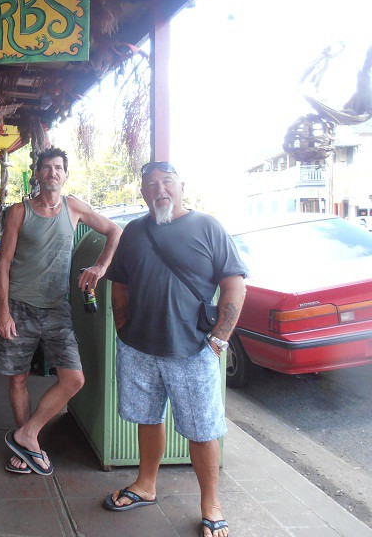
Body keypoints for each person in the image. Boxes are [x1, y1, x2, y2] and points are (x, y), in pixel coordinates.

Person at [103, 161, 247, 537]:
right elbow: (120, 283)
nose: (160, 189)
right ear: (142, 193)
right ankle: (145, 485)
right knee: (148, 418)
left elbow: (234, 284)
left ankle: (211, 505)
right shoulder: (134, 232)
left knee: (202, 429)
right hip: (139, 348)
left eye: (167, 182)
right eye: (151, 184)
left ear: (182, 186)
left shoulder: (208, 227)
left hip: (193, 350)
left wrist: (219, 338)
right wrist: (122, 327)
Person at [0, 146, 122, 476]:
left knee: (74, 379)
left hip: (56, 308)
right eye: (46, 167)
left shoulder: (74, 207)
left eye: (58, 167)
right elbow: (3, 264)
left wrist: (100, 266)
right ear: (37, 174)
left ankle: (27, 434)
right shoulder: (18, 212)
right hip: (19, 307)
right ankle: (27, 447)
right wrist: (3, 312)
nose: (52, 172)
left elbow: (114, 231)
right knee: (18, 377)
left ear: (65, 175)